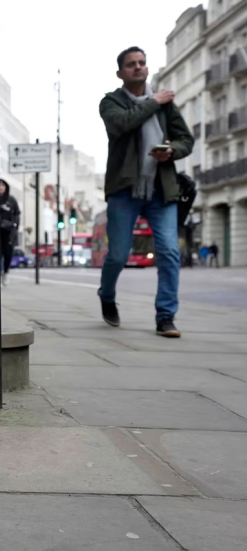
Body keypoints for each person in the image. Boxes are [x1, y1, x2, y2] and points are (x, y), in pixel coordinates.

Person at [98, 46, 194, 338]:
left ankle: (166, 316)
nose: (138, 67)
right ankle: (107, 295)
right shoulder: (110, 102)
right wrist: (154, 100)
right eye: (131, 64)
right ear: (120, 73)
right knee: (117, 254)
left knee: (168, 251)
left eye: (142, 63)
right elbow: (123, 124)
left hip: (160, 189)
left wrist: (171, 151)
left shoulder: (165, 105)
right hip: (123, 190)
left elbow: (186, 140)